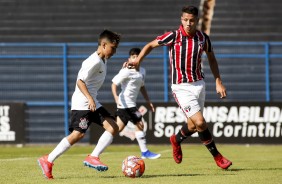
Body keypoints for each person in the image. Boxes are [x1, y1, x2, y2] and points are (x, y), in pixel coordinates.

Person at [130, 6, 232, 169]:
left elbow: (212, 59)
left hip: (199, 84)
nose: (188, 23)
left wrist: (218, 80)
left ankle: (176, 140)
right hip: (181, 87)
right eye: (185, 20)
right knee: (200, 122)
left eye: (192, 20)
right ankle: (218, 157)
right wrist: (138, 61)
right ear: (181, 20)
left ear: (197, 21)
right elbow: (150, 45)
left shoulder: (203, 38)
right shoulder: (174, 36)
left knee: (192, 125)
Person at [37, 29, 121, 179]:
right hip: (83, 103)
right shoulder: (93, 61)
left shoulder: (103, 59)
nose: (114, 52)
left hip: (92, 102)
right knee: (78, 134)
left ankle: (93, 156)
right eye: (112, 48)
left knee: (113, 126)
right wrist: (89, 98)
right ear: (103, 45)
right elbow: (80, 81)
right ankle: (47, 160)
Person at [111, 48, 161, 159]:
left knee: (138, 125)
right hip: (124, 105)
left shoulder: (142, 71)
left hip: (131, 105)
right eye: (133, 57)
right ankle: (95, 153)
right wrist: (115, 97)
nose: (135, 58)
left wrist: (148, 101)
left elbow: (142, 86)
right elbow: (114, 84)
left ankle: (145, 152)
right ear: (129, 59)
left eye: (137, 56)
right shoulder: (126, 71)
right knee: (116, 129)